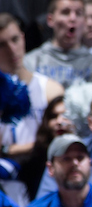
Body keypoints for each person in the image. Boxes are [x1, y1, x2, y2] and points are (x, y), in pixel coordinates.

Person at [0, 13, 63, 158]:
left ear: (23, 38)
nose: (12, 49)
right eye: (2, 45)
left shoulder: (50, 89)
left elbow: (58, 139)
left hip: (42, 165)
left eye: (15, 39)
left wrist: (10, 150)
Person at [24, 0, 92, 86]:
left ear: (84, 21)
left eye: (78, 13)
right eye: (65, 12)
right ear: (50, 20)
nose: (72, 18)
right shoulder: (31, 62)